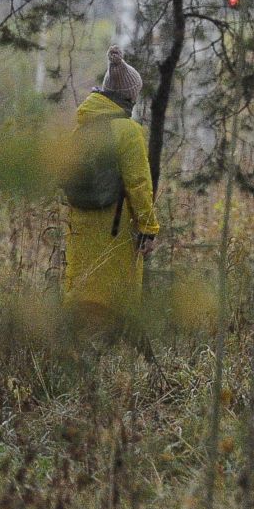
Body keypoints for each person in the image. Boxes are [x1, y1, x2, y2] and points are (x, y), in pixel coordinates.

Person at [61, 47, 162, 326]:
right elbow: (139, 184)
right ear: (129, 95)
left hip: (79, 227)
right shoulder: (128, 132)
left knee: (82, 299)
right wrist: (148, 229)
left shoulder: (81, 129)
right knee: (115, 306)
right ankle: (112, 363)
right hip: (115, 232)